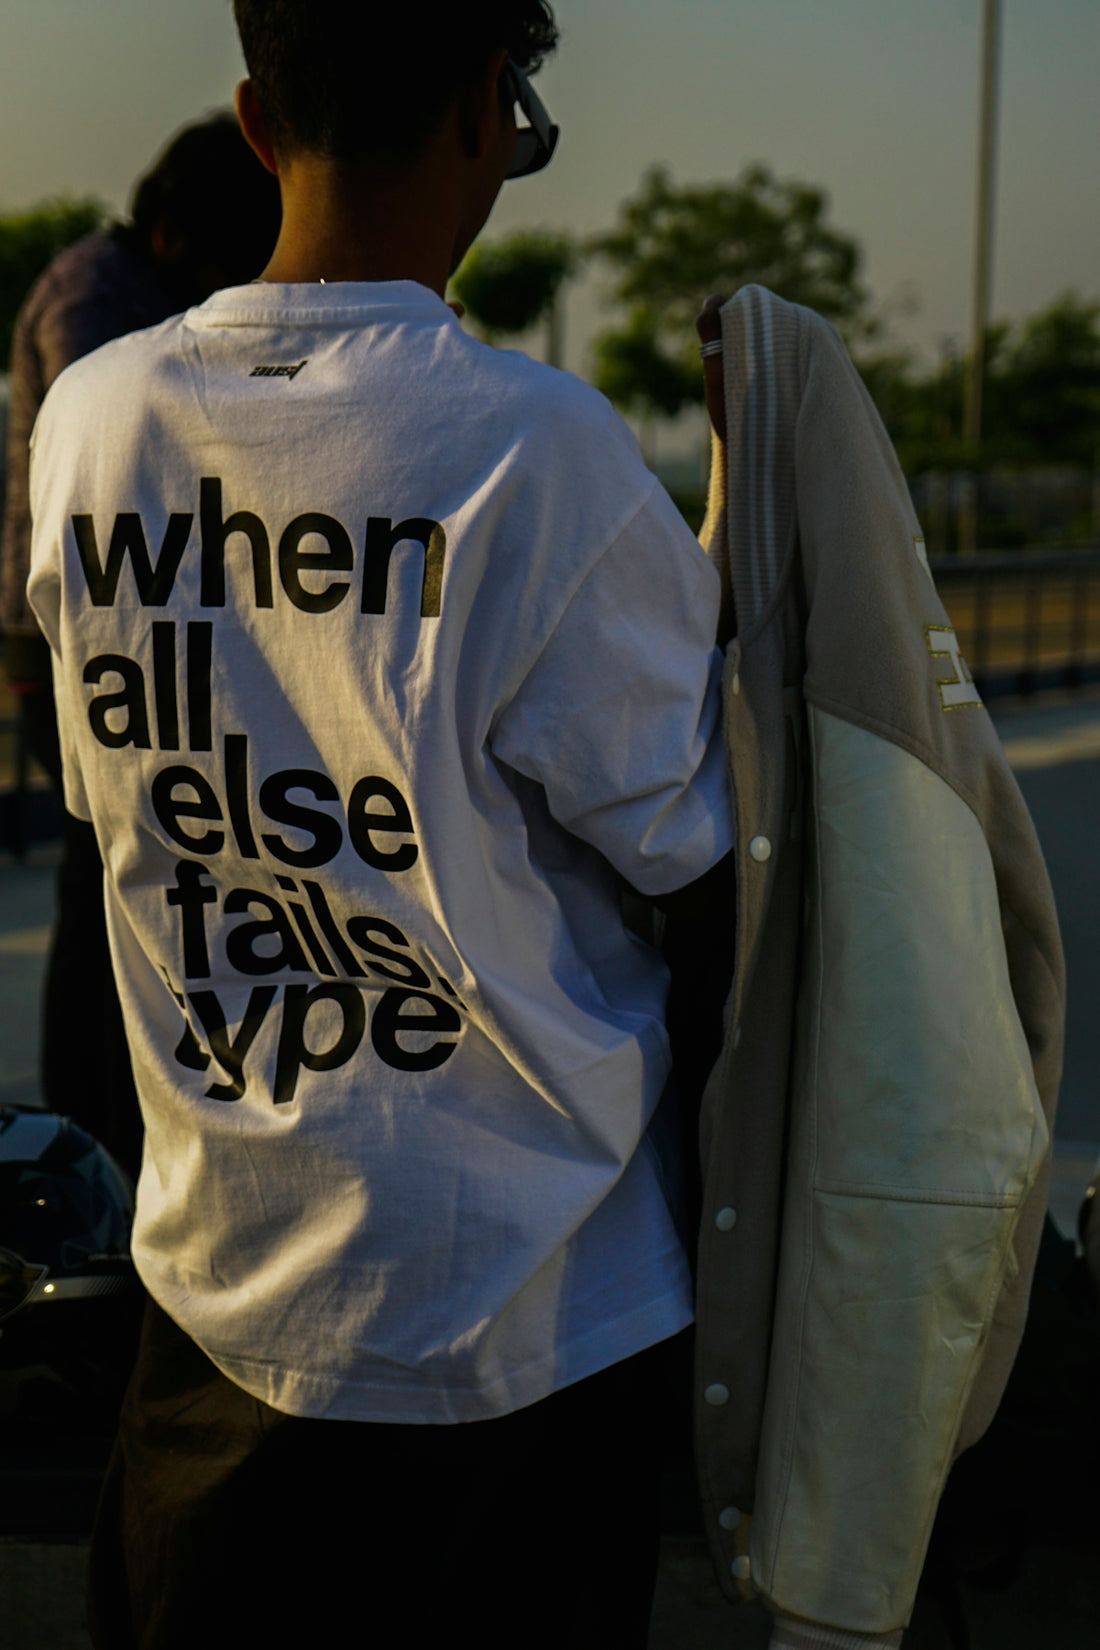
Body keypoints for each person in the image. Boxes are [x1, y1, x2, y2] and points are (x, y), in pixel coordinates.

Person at [27, 5, 738, 1646]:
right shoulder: (543, 450)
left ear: (257, 120)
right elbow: (697, 850)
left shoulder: (97, 422)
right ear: (492, 110)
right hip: (528, 1327)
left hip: (215, 1307)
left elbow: (129, 804)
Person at [2, 113, 281, 1177]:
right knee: (102, 872)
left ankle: (123, 1110)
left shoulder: (128, 287)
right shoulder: (97, 300)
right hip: (73, 633)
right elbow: (138, 448)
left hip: (115, 623)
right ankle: (91, 1123)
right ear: (173, 236)